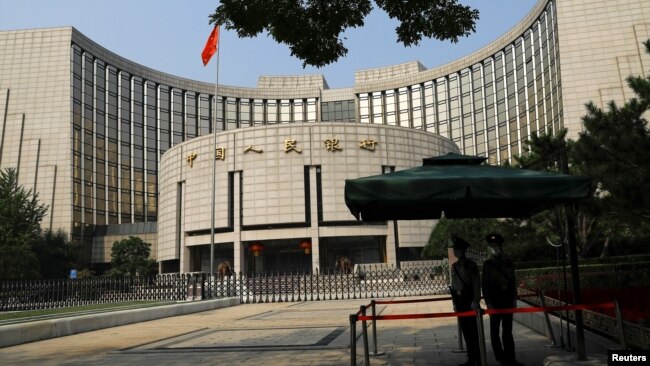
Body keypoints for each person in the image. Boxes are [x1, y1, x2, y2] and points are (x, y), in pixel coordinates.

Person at [481, 233, 524, 366]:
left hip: (506, 300)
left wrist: (514, 298)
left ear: (501, 246)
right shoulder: (487, 265)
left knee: (507, 331)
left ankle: (511, 357)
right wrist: (488, 302)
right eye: (492, 246)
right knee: (495, 331)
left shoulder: (508, 262)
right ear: (489, 247)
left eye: (497, 245)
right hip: (494, 301)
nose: (495, 248)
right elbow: (485, 285)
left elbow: (513, 281)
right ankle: (500, 357)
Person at [450, 235, 481, 366]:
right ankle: (470, 356)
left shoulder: (471, 265)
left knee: (473, 330)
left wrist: (476, 300)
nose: (455, 251)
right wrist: (454, 303)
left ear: (462, 250)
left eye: (457, 249)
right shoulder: (454, 266)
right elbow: (454, 285)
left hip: (469, 300)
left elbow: (476, 284)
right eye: (454, 249)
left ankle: (478, 357)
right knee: (465, 330)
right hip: (459, 299)